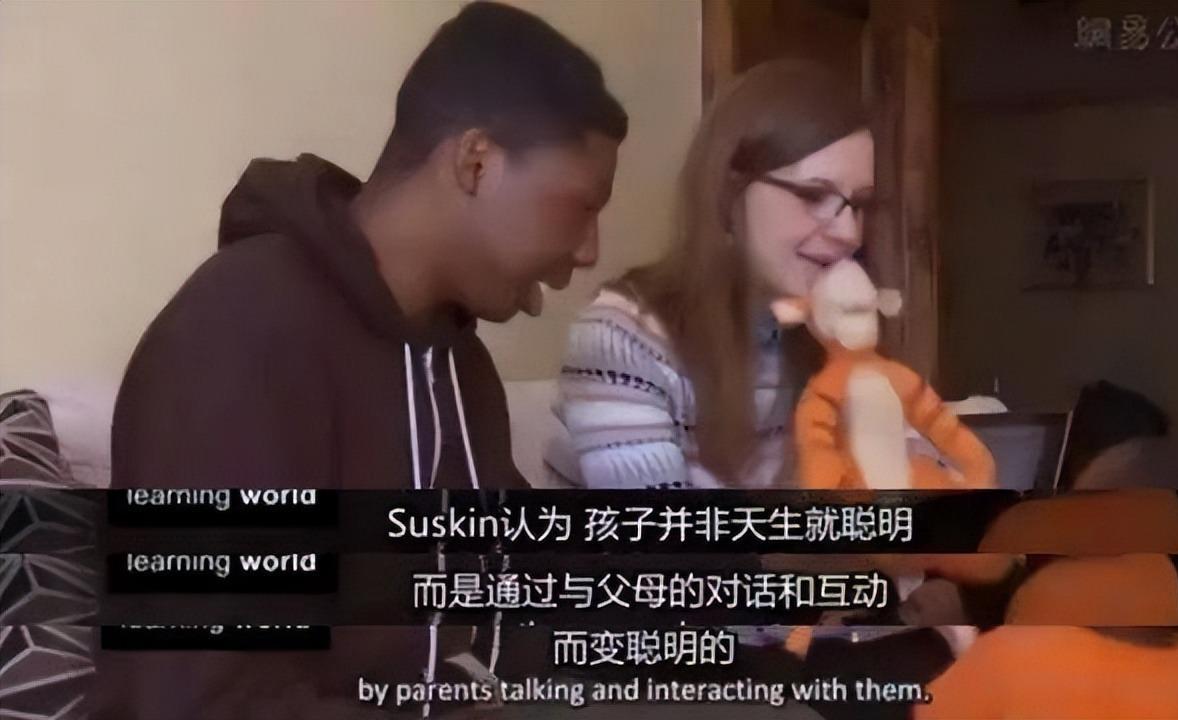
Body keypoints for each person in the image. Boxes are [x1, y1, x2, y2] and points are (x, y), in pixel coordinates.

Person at [100, 3, 626, 718]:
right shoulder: (241, 331)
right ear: (475, 162)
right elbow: (204, 702)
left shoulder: (457, 363)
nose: (589, 251)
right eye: (581, 206)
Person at [552, 59, 871, 489]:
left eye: (860, 204)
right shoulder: (623, 338)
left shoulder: (822, 342)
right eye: (814, 195)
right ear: (728, 192)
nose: (850, 233)